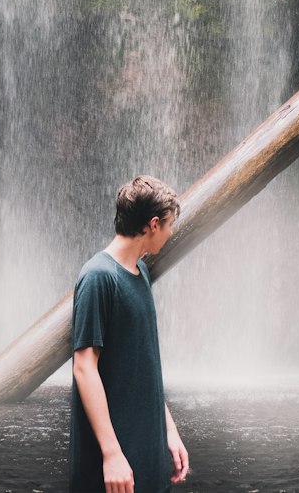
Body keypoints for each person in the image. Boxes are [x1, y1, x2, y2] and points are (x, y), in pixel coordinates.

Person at [69, 175, 190, 493]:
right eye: (169, 224)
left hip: (148, 460)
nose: (171, 232)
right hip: (115, 468)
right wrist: (111, 454)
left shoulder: (141, 272)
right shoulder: (98, 277)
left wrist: (169, 431)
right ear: (153, 224)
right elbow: (84, 367)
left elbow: (143, 365)